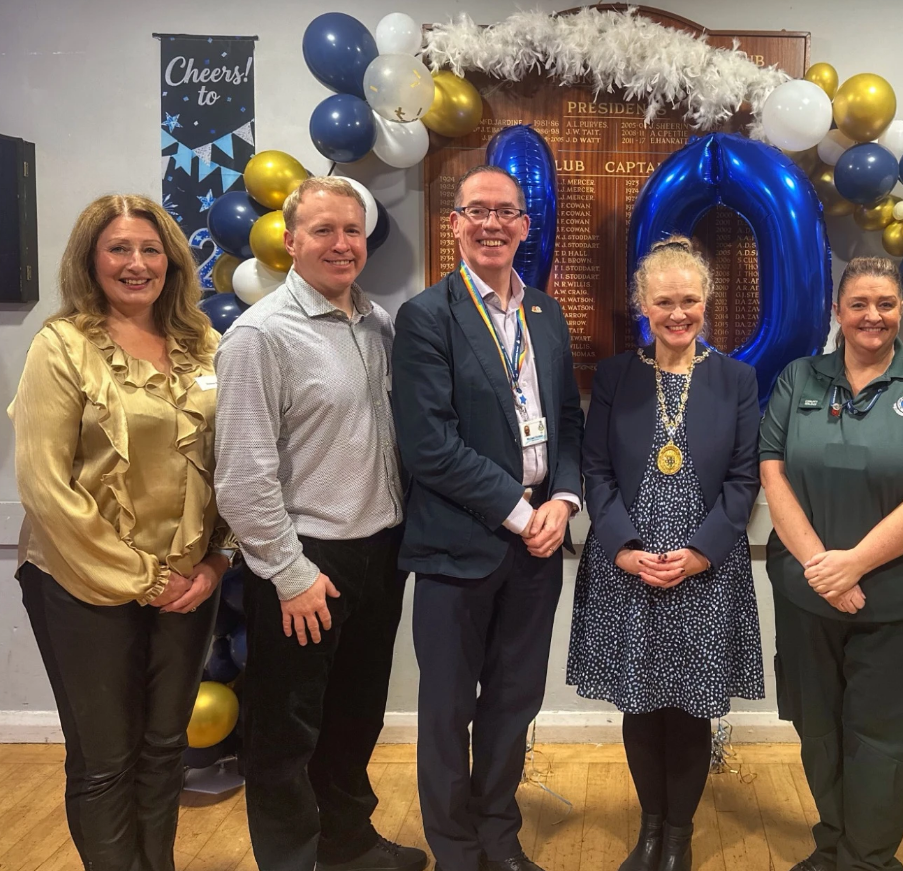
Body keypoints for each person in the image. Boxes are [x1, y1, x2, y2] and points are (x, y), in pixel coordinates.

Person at [9, 194, 233, 871]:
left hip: (190, 584)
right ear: (90, 259)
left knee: (166, 747)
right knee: (105, 759)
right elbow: (45, 485)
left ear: (171, 260)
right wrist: (146, 576)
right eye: (118, 249)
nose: (136, 263)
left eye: (150, 249)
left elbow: (238, 460)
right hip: (80, 581)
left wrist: (216, 562)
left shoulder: (206, 344)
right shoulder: (62, 345)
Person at [214, 177, 423, 871]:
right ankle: (292, 858)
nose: (341, 243)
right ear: (290, 240)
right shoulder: (260, 336)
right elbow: (241, 477)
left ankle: (347, 842)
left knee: (354, 715)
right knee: (286, 730)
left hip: (378, 553)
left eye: (352, 230)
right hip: (305, 562)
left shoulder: (378, 325)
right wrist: (290, 572)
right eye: (324, 230)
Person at [391, 165, 584, 871]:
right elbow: (428, 444)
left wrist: (561, 501)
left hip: (537, 549)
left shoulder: (546, 314)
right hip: (456, 546)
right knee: (446, 712)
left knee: (512, 703)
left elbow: (565, 420)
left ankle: (499, 837)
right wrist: (517, 510)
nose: (491, 224)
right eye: (476, 211)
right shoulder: (426, 317)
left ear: (525, 226)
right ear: (454, 225)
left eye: (505, 212)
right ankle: (456, 848)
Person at [760, 257, 903, 871]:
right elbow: (772, 468)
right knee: (819, 730)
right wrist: (820, 568)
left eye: (885, 303)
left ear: (902, 311)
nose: (872, 316)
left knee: (885, 742)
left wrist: (853, 564)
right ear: (838, 311)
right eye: (858, 304)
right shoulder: (799, 379)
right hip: (809, 597)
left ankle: (869, 859)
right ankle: (832, 847)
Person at [567, 237, 765, 871]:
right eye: (664, 302)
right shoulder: (618, 374)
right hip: (628, 564)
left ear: (707, 303)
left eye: (690, 301)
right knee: (641, 702)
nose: (678, 314)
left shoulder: (736, 377)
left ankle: (678, 836)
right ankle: (649, 829)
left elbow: (743, 479)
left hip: (704, 567)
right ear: (641, 308)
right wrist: (623, 547)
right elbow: (594, 470)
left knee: (689, 706)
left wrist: (703, 552)